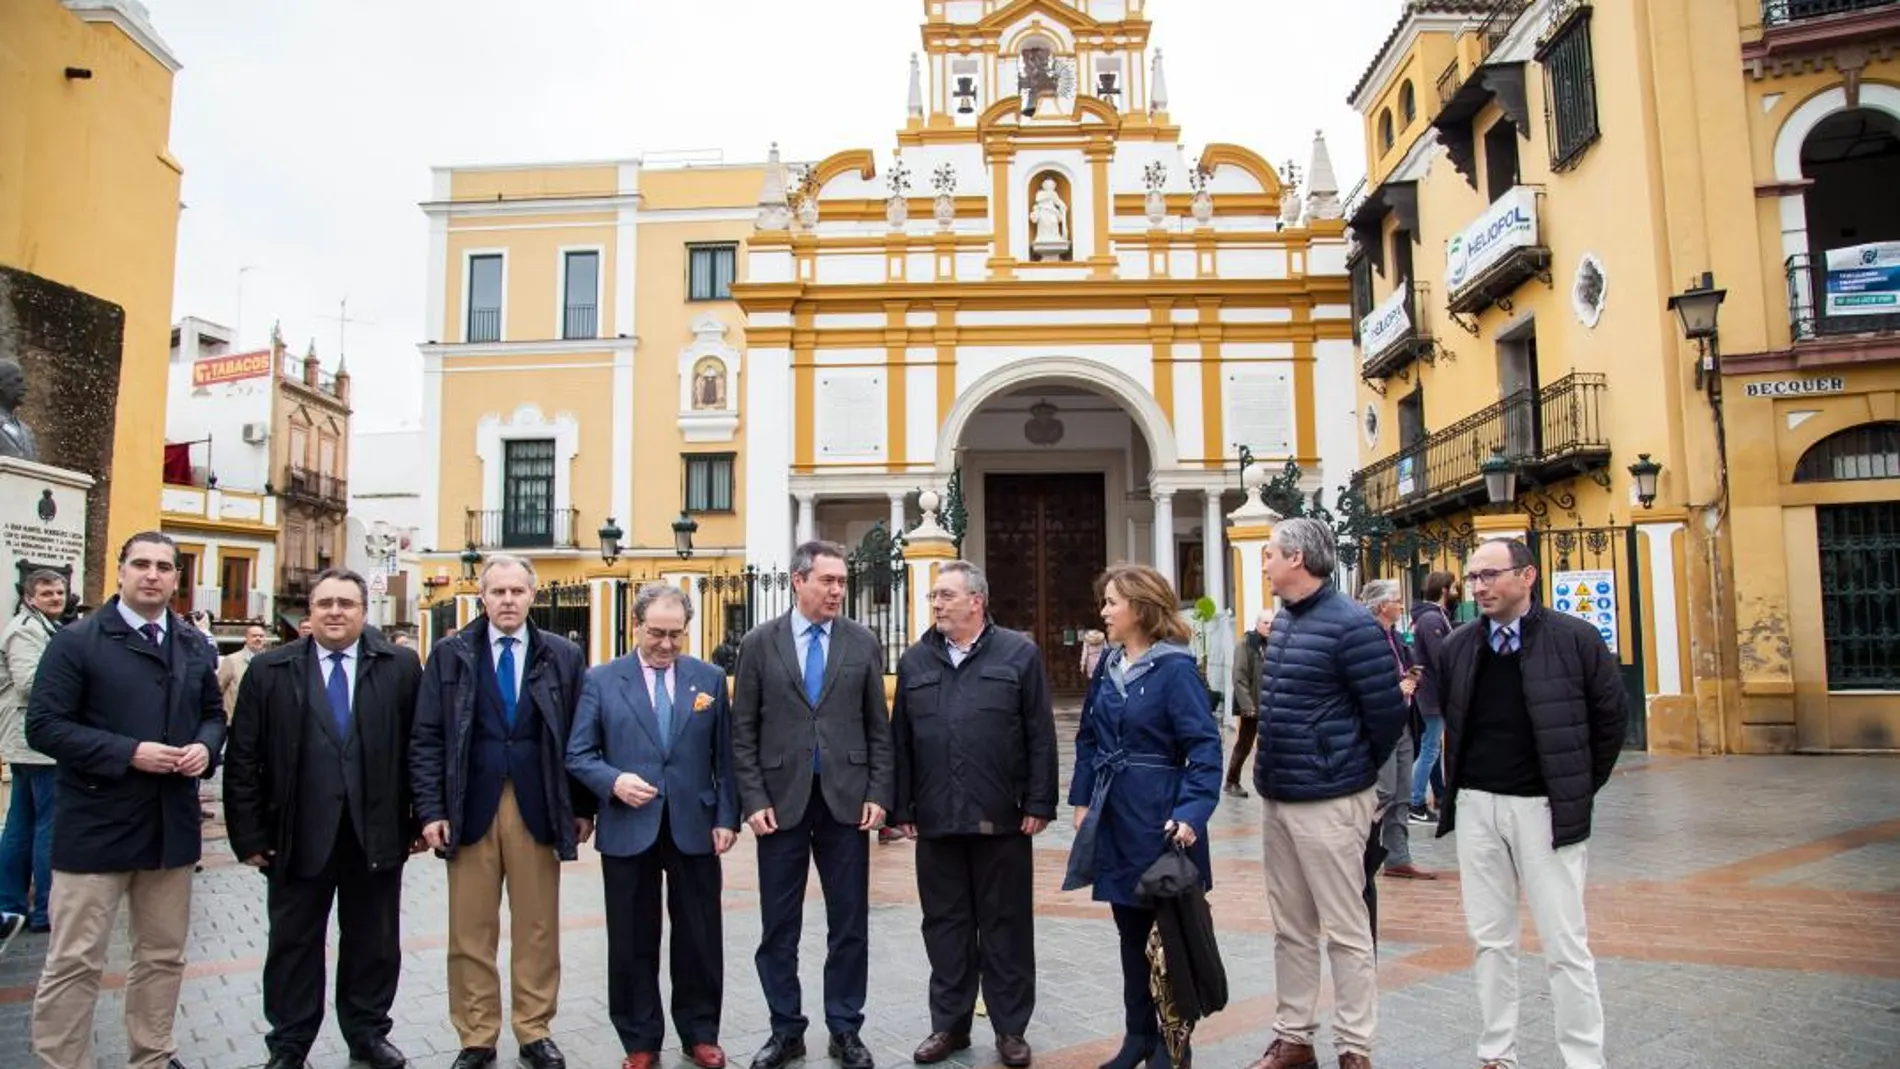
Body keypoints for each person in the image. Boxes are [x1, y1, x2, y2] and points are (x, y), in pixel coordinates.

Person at [25, 531, 226, 1069]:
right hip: (95, 826)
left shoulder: (188, 642)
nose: (152, 574)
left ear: (177, 579)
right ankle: (64, 1061)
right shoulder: (78, 640)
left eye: (164, 566)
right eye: (141, 564)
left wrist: (206, 748)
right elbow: (43, 726)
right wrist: (129, 751)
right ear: (120, 570)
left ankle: (152, 1055)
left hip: (170, 827)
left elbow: (213, 713)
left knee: (161, 956)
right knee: (74, 960)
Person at [1435, 539, 1626, 1069]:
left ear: (1527, 576)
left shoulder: (1576, 640)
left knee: (1565, 944)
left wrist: (1576, 787)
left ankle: (1584, 1058)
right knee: (1490, 941)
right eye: (1473, 578)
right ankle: (1497, 1052)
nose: (1479, 587)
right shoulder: (1459, 645)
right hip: (1476, 806)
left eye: (1490, 575)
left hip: (1544, 809)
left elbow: (1611, 720)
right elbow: (1455, 718)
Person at [225, 569, 422, 1069]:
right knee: (292, 945)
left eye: (347, 603)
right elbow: (243, 757)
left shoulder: (399, 667)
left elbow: (419, 748)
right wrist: (247, 833)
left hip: (373, 833)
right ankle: (289, 1044)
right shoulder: (270, 671)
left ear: (363, 611)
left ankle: (367, 1033)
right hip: (296, 835)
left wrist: (420, 818)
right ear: (308, 614)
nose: (336, 611)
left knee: (374, 943)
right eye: (325, 603)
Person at [412, 555, 593, 1069]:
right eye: (498, 592)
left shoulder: (561, 655)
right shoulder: (450, 655)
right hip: (468, 804)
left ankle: (534, 1030)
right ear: (482, 597)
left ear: (533, 596)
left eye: (517, 591)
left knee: (538, 926)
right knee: (470, 929)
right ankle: (477, 1035)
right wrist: (430, 810)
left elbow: (580, 737)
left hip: (537, 804)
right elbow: (426, 737)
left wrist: (580, 808)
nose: (508, 600)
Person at [1243, 518, 1407, 1069]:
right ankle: (1294, 1036)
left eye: (1269, 554)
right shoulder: (1285, 621)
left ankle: (1354, 1046)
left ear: (1296, 559)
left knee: (1345, 928)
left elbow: (1386, 714)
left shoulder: (1351, 625)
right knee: (1290, 926)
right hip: (1281, 792)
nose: (1263, 563)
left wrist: (1348, 767)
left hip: (1332, 798)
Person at [730, 540, 893, 1069]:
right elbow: (744, 730)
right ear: (799, 581)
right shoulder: (759, 643)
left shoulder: (862, 641)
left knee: (849, 923)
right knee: (780, 926)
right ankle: (786, 1030)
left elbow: (878, 729)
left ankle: (845, 1028)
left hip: (847, 804)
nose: (837, 591)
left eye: (842, 582)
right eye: (828, 581)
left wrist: (878, 793)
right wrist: (752, 798)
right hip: (780, 806)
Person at [892, 561, 1057, 1069]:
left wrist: (1039, 802)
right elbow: (901, 741)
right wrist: (901, 807)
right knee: (945, 925)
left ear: (976, 601)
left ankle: (1010, 1030)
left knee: (1005, 924)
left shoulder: (1019, 654)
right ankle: (949, 1026)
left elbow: (1039, 734)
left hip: (1001, 817)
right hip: (936, 819)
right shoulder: (916, 661)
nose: (936, 603)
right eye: (934, 596)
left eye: (945, 595)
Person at [567, 584, 739, 1069]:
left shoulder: (708, 678)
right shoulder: (601, 680)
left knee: (701, 936)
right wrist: (613, 781)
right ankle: (640, 1040)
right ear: (636, 626)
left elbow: (724, 758)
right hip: (628, 825)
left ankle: (700, 1032)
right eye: (656, 634)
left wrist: (726, 818)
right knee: (631, 937)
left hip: (695, 826)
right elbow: (578, 754)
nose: (666, 645)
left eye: (676, 636)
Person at [1063, 563, 1222, 1069]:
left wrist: (1191, 813)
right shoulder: (1108, 665)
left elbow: (1204, 748)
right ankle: (1138, 1037)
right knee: (1130, 935)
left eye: (1112, 602)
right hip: (1114, 816)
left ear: (1140, 607)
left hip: (1160, 820)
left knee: (1168, 937)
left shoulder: (1176, 671)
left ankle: (1173, 1043)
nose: (1103, 611)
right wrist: (1083, 800)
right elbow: (1088, 739)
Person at [0, 568, 69, 936]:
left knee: (21, 823)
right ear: (30, 597)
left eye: (59, 592)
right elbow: (29, 683)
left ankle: (11, 905)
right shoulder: (26, 629)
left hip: (28, 741)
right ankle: (42, 909)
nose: (56, 598)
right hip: (35, 743)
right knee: (45, 824)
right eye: (47, 594)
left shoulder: (43, 626)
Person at [1358, 581, 1432, 883]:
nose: (1402, 606)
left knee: (1402, 790)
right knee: (1384, 790)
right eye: (1396, 601)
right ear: (1380, 606)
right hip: (1381, 723)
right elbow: (1364, 683)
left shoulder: (1397, 637)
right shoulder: (1365, 639)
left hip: (1404, 719)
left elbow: (1406, 666)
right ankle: (1362, 848)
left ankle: (1398, 857)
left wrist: (1413, 677)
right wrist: (1394, 687)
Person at [1408, 572, 1457, 823]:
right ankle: (1414, 802)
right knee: (1430, 748)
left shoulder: (1432, 617)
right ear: (1445, 590)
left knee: (1432, 747)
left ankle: (1438, 794)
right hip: (1433, 693)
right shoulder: (1431, 620)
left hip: (1432, 692)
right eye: (1454, 588)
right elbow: (1441, 658)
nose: (1457, 592)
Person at [1224, 611, 1270, 799]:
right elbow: (1239, 677)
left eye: (1272, 623)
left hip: (1269, 702)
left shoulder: (1273, 644)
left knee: (1272, 743)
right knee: (1245, 744)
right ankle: (1231, 781)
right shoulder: (1246, 643)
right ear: (1257, 624)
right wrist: (1248, 706)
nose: (1270, 626)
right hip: (1251, 703)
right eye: (1266, 622)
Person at [219, 623, 271, 717]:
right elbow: (219, 688)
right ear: (246, 638)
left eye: (261, 636)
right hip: (234, 718)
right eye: (254, 636)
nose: (258, 639)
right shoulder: (231, 660)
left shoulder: (270, 661)